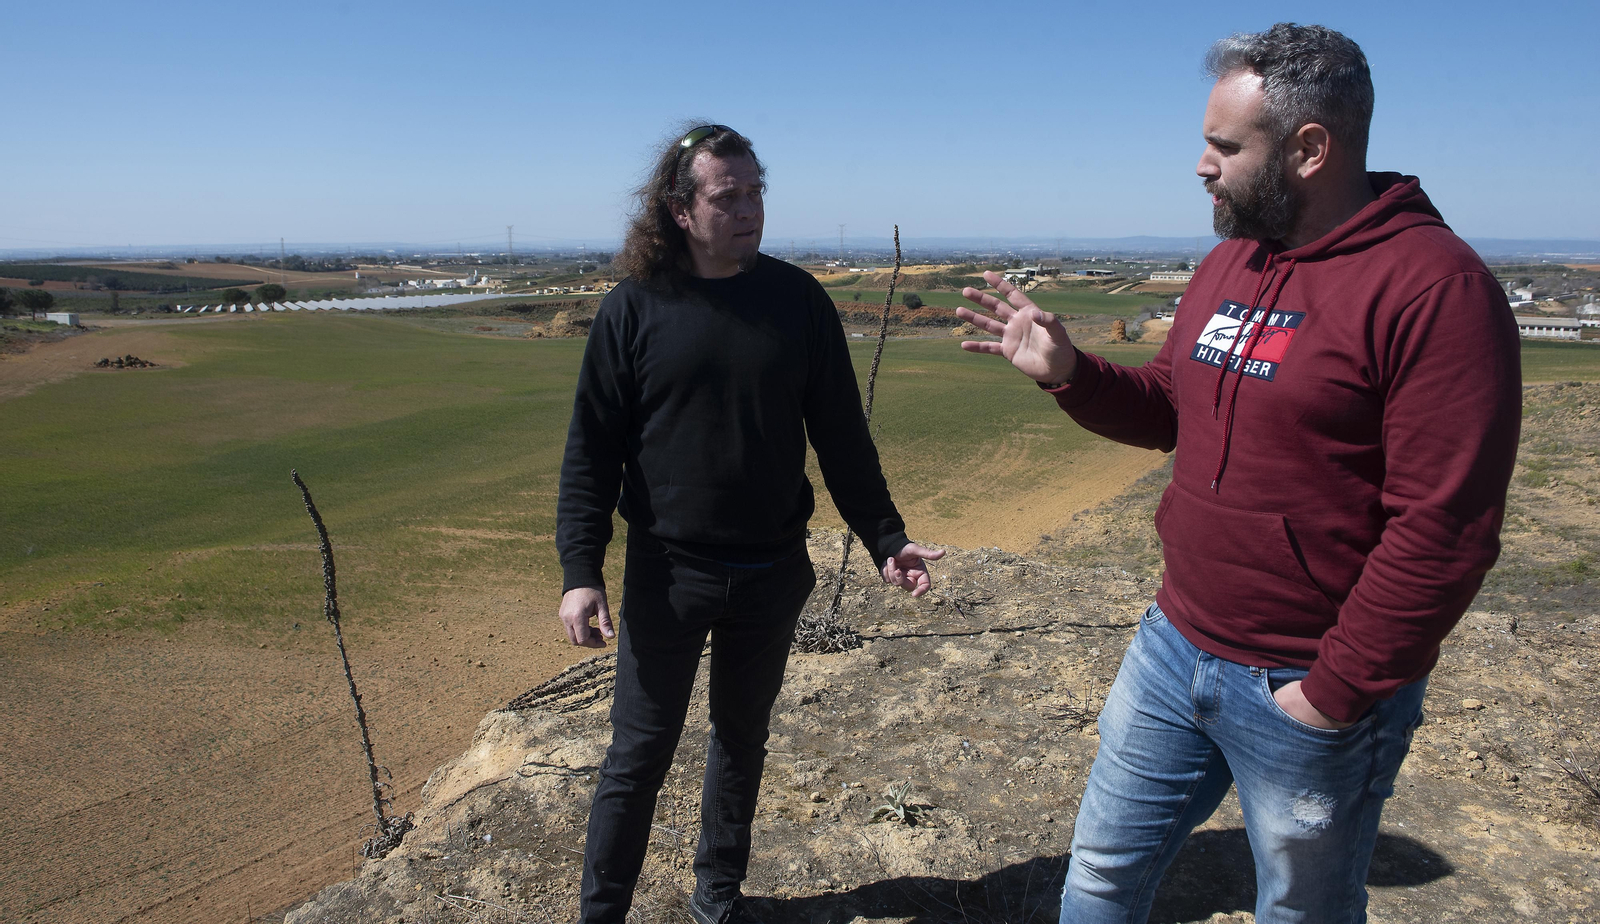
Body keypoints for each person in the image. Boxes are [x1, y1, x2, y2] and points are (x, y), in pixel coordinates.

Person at [955, 24, 1520, 924]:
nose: (1201, 166)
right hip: (1174, 647)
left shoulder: (1433, 289)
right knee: (1098, 878)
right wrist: (1071, 372)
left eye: (1224, 146)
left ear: (1308, 149)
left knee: (1301, 911)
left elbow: (1444, 530)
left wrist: (1332, 696)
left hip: (1308, 684)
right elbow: (1171, 408)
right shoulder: (1231, 261)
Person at [556, 123, 943, 924]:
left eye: (756, 191)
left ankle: (717, 901)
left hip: (772, 571)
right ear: (680, 209)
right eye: (727, 196)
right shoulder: (635, 310)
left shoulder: (797, 300)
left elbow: (840, 433)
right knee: (637, 755)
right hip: (669, 574)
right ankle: (602, 915)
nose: (748, 209)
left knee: (742, 741)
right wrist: (580, 570)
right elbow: (590, 450)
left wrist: (884, 536)